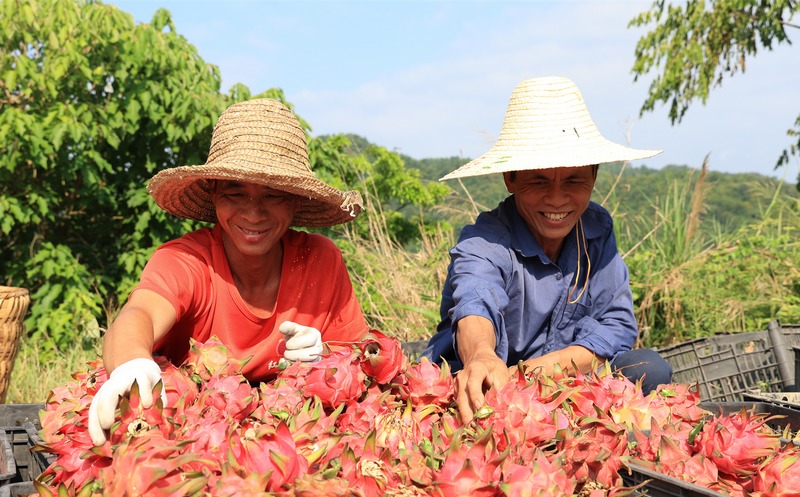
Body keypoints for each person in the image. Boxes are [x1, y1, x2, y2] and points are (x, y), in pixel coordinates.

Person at [88, 98, 369, 445]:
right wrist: (132, 365)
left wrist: (325, 355)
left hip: (293, 441)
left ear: (295, 201)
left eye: (273, 195)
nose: (253, 213)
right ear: (214, 193)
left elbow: (358, 363)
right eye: (235, 192)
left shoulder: (319, 261)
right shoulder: (188, 260)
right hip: (186, 441)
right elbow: (139, 313)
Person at [422, 76, 673, 423]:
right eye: (538, 181)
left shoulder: (596, 229)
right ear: (510, 178)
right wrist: (482, 356)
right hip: (487, 386)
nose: (557, 199)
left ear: (595, 176)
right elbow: (474, 304)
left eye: (574, 180)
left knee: (651, 369)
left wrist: (536, 372)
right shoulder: (483, 242)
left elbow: (617, 325)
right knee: (460, 393)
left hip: (560, 381)